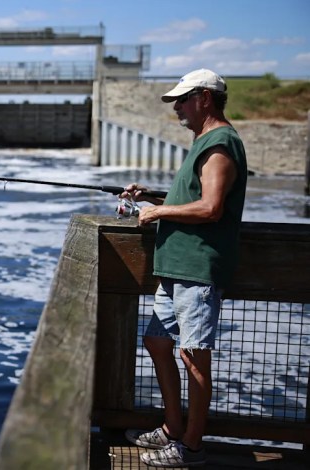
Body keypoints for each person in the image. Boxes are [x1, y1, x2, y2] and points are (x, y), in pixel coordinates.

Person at [122, 68, 248, 468]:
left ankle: (191, 448)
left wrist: (158, 211)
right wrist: (154, 195)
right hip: (176, 268)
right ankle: (172, 428)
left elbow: (211, 208)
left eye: (182, 99)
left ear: (205, 98)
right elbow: (194, 195)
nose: (177, 107)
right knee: (158, 343)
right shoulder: (203, 142)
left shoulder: (220, 144)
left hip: (196, 269)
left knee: (194, 357)